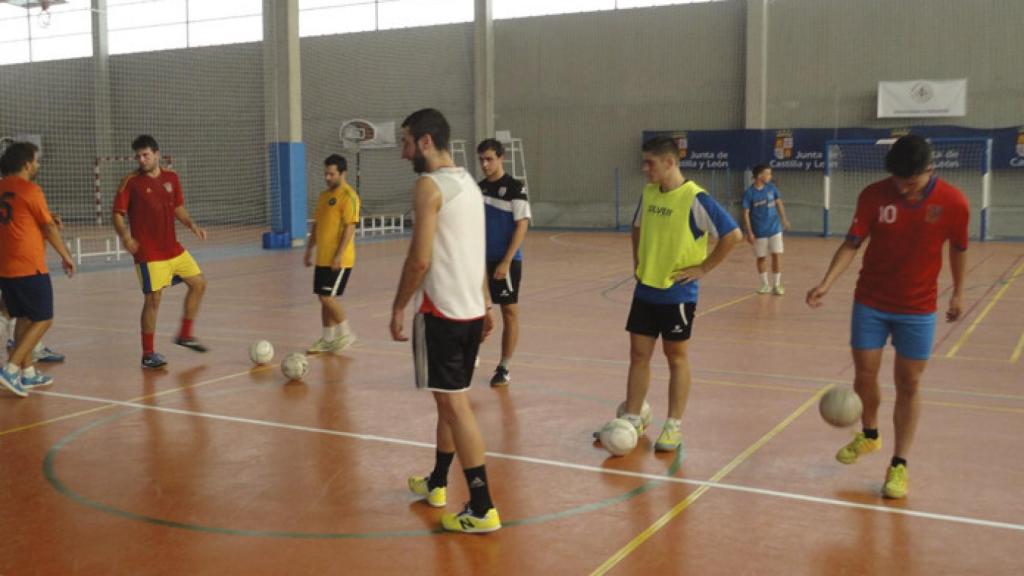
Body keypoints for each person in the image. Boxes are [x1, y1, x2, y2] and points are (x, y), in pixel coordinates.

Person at [806, 134, 968, 499]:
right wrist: (826, 282)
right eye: (897, 180)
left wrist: (958, 291)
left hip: (918, 308)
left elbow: (958, 248)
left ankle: (899, 464)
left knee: (908, 383)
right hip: (871, 301)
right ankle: (870, 434)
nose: (903, 188)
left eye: (911, 182)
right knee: (865, 373)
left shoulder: (953, 202)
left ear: (930, 169)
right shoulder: (874, 196)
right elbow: (852, 243)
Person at [390, 108, 500, 533]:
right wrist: (486, 302)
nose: (402, 151)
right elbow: (475, 247)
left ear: (424, 142)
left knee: (455, 405)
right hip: (470, 310)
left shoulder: (429, 185)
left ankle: (483, 506)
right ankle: (438, 483)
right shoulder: (468, 183)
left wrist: (399, 305)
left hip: (443, 313)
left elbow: (419, 259)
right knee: (447, 399)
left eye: (405, 141)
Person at [617, 135, 741, 452]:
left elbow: (732, 234)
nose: (645, 169)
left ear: (670, 162)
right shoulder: (648, 193)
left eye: (650, 163)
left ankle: (673, 425)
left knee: (676, 358)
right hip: (646, 289)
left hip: (677, 295)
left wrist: (704, 268)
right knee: (638, 356)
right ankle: (632, 417)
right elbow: (637, 227)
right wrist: (638, 261)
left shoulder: (695, 198)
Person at [112, 135, 207, 369]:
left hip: (172, 248)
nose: (141, 160)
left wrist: (192, 224)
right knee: (153, 300)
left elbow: (178, 207)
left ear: (157, 154)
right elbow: (117, 213)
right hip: (148, 252)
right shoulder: (130, 182)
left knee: (199, 284)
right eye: (138, 156)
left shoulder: (171, 178)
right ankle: (148, 353)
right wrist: (125, 236)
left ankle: (185, 334)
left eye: (145, 155)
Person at [0, 141, 76, 397]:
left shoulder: (2, 188)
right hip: (28, 266)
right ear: (26, 163)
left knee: (24, 317)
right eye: (36, 160)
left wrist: (46, 217)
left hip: (6, 267)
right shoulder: (30, 189)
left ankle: (28, 373)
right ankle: (10, 369)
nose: (38, 165)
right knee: (44, 318)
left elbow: (19, 219)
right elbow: (49, 228)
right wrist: (66, 255)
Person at [476, 138, 531, 387]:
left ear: (501, 158)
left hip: (505, 260)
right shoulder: (477, 189)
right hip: (479, 260)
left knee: (509, 311)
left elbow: (522, 225)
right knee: (472, 311)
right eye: (481, 160)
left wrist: (506, 260)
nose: (485, 165)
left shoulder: (514, 188)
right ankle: (470, 355)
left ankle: (504, 367)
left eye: (489, 159)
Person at [304, 154, 360, 354]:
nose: (327, 177)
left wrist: (338, 255)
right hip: (322, 257)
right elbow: (318, 225)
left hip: (340, 259)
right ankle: (328, 338)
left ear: (343, 173)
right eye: (326, 173)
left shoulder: (349, 196)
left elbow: (349, 228)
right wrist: (309, 249)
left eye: (332, 174)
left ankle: (346, 332)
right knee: (322, 297)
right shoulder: (323, 196)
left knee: (328, 297)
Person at [741, 165, 791, 295]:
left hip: (775, 229)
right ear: (759, 176)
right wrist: (749, 232)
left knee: (776, 255)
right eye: (767, 174)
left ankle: (777, 284)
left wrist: (784, 219)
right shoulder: (749, 193)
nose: (770, 176)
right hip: (759, 232)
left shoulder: (772, 188)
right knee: (761, 257)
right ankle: (764, 284)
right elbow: (745, 213)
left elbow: (779, 203)